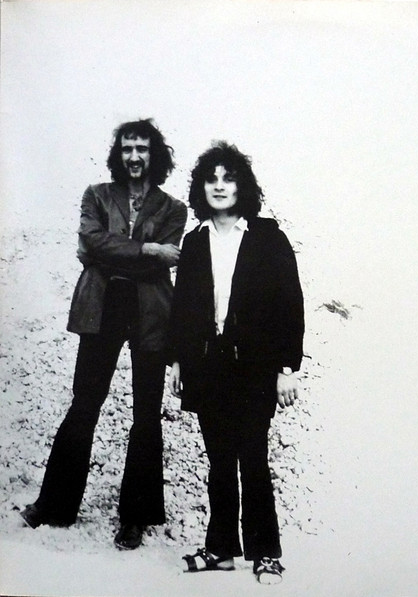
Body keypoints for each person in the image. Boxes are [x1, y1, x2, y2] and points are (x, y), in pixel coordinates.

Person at [20, 119, 188, 550]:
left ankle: (136, 517)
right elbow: (92, 241)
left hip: (150, 312)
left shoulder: (174, 208)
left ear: (154, 155)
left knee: (146, 412)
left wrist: (110, 255)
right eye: (127, 148)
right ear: (118, 154)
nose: (134, 156)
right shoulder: (96, 195)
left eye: (142, 149)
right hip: (102, 308)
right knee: (85, 401)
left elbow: (113, 254)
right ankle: (54, 505)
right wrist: (147, 249)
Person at [168, 141, 304, 584]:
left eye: (229, 179)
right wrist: (178, 362)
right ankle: (221, 549)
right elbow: (184, 308)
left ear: (242, 186)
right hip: (209, 367)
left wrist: (286, 369)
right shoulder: (195, 241)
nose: (220, 186)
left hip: (256, 369)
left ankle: (266, 554)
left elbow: (290, 305)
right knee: (220, 461)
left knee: (254, 459)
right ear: (201, 188)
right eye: (212, 179)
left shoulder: (267, 238)